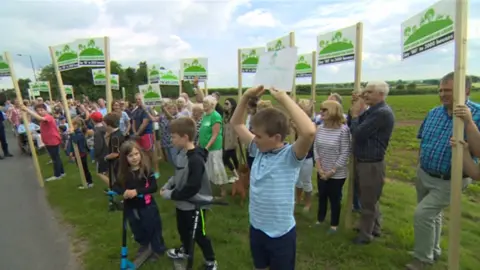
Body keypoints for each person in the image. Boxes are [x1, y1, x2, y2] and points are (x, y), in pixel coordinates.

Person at [230, 85, 316, 270]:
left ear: (276, 137)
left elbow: (308, 132)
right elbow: (236, 124)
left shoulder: (290, 156)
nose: (253, 138)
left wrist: (283, 98)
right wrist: (245, 97)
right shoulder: (258, 148)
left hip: (280, 235)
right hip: (257, 228)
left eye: (258, 135)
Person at [406, 73, 479, 270]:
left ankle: (422, 259)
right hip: (425, 174)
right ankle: (433, 250)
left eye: (448, 90)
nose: (442, 94)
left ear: (466, 91)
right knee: (432, 216)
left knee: (423, 214)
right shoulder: (434, 112)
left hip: (450, 179)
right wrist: (420, 163)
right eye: (440, 90)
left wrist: (469, 123)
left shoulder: (477, 113)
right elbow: (423, 140)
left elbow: (479, 150)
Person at [160, 117, 218, 270]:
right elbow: (178, 174)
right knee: (183, 229)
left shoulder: (196, 160)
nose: (171, 139)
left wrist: (170, 195)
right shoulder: (181, 153)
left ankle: (210, 260)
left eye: (173, 137)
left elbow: (192, 187)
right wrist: (168, 185)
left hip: (196, 205)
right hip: (182, 204)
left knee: (199, 233)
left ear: (185, 137)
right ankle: (185, 250)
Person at [349, 81, 395, 245]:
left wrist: (355, 116)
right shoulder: (372, 111)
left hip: (371, 163)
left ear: (381, 95)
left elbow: (359, 133)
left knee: (368, 201)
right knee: (368, 198)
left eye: (369, 92)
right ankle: (374, 227)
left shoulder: (381, 113)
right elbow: (352, 124)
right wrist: (356, 106)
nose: (365, 94)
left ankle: (365, 234)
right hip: (364, 160)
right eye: (365, 91)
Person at [113, 140, 167, 261]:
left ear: (140, 154)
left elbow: (153, 187)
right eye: (130, 155)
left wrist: (137, 191)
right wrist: (123, 192)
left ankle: (158, 249)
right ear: (124, 158)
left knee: (152, 228)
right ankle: (144, 246)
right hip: (131, 207)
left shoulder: (146, 170)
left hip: (147, 206)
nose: (134, 158)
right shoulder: (123, 172)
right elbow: (116, 186)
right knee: (137, 229)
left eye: (136, 154)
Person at [313, 100, 351, 233]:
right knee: (322, 195)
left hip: (337, 173)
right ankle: (320, 219)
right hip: (321, 170)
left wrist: (332, 171)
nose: (321, 112)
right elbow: (316, 148)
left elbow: (345, 152)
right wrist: (319, 168)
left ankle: (334, 225)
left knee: (335, 198)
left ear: (334, 112)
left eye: (325, 110)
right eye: (321, 109)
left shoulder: (343, 130)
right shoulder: (319, 128)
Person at [22, 103, 65, 181]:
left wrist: (27, 110)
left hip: (53, 141)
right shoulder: (43, 117)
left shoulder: (48, 117)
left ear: (46, 110)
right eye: (38, 111)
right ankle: (61, 172)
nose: (40, 112)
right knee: (56, 157)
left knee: (55, 158)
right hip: (49, 141)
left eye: (41, 110)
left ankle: (57, 175)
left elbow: (40, 119)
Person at [200, 95, 229, 197]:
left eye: (206, 103)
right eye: (203, 103)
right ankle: (208, 189)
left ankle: (223, 190)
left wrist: (207, 147)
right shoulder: (205, 115)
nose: (204, 105)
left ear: (212, 105)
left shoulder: (215, 116)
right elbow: (202, 130)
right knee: (207, 168)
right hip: (204, 147)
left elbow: (215, 134)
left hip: (214, 148)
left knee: (217, 168)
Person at [294, 99, 316, 212]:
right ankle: (298, 199)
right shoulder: (296, 123)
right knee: (297, 180)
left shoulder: (311, 124)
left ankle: (308, 203)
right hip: (297, 155)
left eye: (303, 109)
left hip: (308, 156)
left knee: (306, 180)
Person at [132, 93, 158, 177]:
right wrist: (135, 133)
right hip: (138, 135)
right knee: (142, 155)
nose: (138, 101)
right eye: (136, 99)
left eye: (139, 99)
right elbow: (133, 122)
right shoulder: (136, 110)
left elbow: (145, 123)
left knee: (150, 153)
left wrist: (137, 133)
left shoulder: (147, 109)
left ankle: (156, 172)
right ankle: (148, 171)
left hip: (146, 134)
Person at [68, 117, 94, 189]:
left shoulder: (79, 133)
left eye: (73, 125)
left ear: (77, 125)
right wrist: (71, 152)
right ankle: (85, 181)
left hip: (81, 154)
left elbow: (75, 140)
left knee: (84, 169)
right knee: (81, 168)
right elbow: (72, 142)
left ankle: (90, 182)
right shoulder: (75, 132)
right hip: (77, 154)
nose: (72, 126)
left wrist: (72, 134)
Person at [104, 113, 126, 186]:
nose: (103, 125)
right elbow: (110, 147)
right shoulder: (115, 133)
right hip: (119, 161)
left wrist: (106, 157)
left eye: (104, 123)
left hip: (118, 163)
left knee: (119, 179)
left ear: (109, 125)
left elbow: (115, 153)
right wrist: (106, 137)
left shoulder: (115, 137)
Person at [223, 98, 240, 182]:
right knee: (234, 158)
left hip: (232, 141)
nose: (225, 105)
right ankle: (238, 174)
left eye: (227, 104)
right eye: (224, 103)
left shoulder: (235, 116)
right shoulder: (225, 115)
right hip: (226, 140)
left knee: (224, 159)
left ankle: (236, 175)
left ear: (232, 106)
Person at [91, 112, 109, 185]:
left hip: (102, 154)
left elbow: (99, 145)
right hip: (108, 152)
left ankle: (113, 187)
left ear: (93, 120)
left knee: (99, 173)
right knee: (107, 171)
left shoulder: (97, 131)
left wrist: (96, 155)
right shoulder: (105, 128)